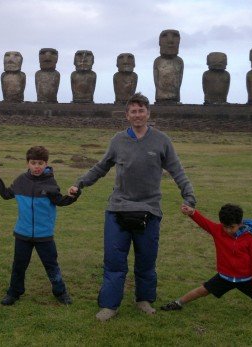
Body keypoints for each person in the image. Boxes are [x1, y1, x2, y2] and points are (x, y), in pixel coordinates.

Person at [68, 92, 196, 322]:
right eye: (133, 111)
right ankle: (109, 305)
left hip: (150, 210)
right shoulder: (118, 140)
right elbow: (100, 167)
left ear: (148, 113)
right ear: (127, 115)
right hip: (118, 209)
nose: (137, 115)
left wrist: (189, 197)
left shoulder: (161, 140)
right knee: (114, 261)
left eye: (141, 110)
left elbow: (177, 170)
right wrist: (80, 183)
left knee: (146, 260)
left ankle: (144, 300)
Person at [160, 203, 252, 333]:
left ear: (240, 223)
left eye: (231, 227)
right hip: (224, 277)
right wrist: (192, 212)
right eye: (225, 226)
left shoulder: (249, 239)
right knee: (202, 290)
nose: (227, 230)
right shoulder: (218, 230)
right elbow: (204, 222)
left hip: (246, 279)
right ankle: (178, 303)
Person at [0, 146, 78, 306]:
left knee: (51, 265)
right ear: (27, 163)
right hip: (22, 234)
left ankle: (60, 292)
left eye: (40, 163)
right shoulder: (20, 181)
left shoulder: (50, 183)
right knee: (19, 266)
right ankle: (14, 292)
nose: (36, 166)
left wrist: (74, 195)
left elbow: (61, 201)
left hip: (44, 235)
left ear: (46, 164)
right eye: (33, 163)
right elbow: (6, 194)